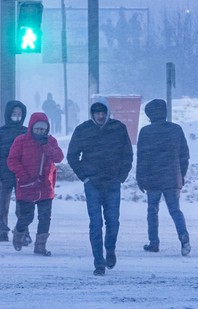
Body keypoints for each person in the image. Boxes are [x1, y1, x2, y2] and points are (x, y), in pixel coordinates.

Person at [67, 96, 133, 276]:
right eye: (97, 113)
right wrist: (85, 177)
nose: (100, 116)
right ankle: (98, 262)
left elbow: (127, 154)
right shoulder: (82, 130)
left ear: (108, 112)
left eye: (103, 112)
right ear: (92, 114)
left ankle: (110, 249)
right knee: (95, 223)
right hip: (92, 184)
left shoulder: (118, 129)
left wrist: (121, 176)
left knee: (113, 221)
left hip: (113, 182)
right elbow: (72, 156)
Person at [136, 99, 191, 256]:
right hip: (172, 177)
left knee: (152, 210)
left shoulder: (146, 132)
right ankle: (183, 236)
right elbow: (184, 155)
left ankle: (154, 242)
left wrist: (140, 178)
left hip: (152, 177)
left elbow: (142, 157)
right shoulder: (176, 129)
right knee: (175, 209)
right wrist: (182, 174)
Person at [7, 112, 64, 255]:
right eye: (37, 129)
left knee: (45, 218)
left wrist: (47, 147)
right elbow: (12, 160)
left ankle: (40, 246)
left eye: (43, 129)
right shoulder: (21, 141)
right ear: (31, 127)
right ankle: (19, 233)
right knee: (27, 216)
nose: (40, 132)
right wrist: (24, 176)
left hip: (45, 186)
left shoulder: (50, 141)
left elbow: (59, 157)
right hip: (27, 186)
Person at [0, 100, 28, 242]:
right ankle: (3, 230)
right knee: (3, 205)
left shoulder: (26, 132)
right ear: (8, 114)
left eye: (19, 113)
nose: (17, 116)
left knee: (22, 205)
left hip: (22, 175)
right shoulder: (0, 133)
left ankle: (23, 230)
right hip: (4, 175)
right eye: (14, 113)